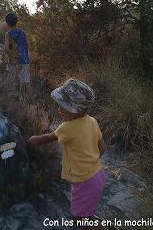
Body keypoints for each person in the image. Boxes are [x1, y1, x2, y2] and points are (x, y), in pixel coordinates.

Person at [28, 78, 106, 230]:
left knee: (79, 219)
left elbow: (48, 138)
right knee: (87, 212)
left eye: (63, 106)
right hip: (98, 174)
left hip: (85, 181)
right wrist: (90, 163)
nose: (59, 110)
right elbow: (102, 147)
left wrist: (34, 140)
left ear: (76, 109)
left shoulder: (67, 127)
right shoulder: (92, 121)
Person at [4, 11, 31, 94]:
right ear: (16, 22)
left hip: (13, 61)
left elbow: (7, 49)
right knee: (26, 81)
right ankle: (30, 100)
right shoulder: (22, 32)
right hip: (24, 60)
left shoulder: (8, 34)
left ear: (7, 23)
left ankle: (13, 99)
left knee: (12, 81)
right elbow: (27, 45)